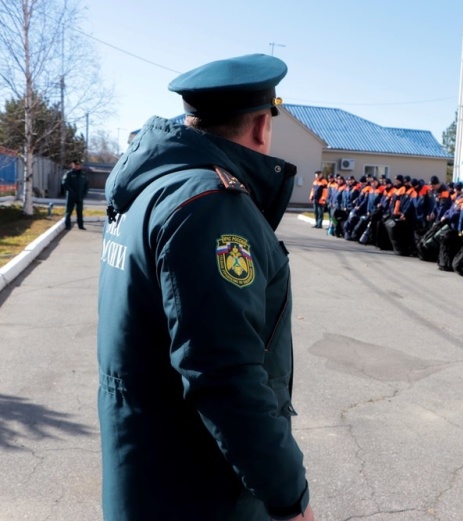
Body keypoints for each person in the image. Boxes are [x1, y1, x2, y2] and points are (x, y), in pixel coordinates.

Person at [97, 54, 314, 520]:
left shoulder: (151, 187)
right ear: (261, 125)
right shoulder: (210, 206)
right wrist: (288, 497)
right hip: (197, 486)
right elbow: (224, 372)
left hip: (150, 466)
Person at [61, 160, 88, 230]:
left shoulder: (83, 174)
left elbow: (86, 185)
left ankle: (81, 226)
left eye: (78, 165)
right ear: (73, 165)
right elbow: (64, 183)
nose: (77, 166)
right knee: (68, 212)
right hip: (71, 196)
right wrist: (71, 192)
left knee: (80, 211)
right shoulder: (69, 174)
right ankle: (67, 226)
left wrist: (84, 194)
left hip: (80, 196)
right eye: (76, 165)